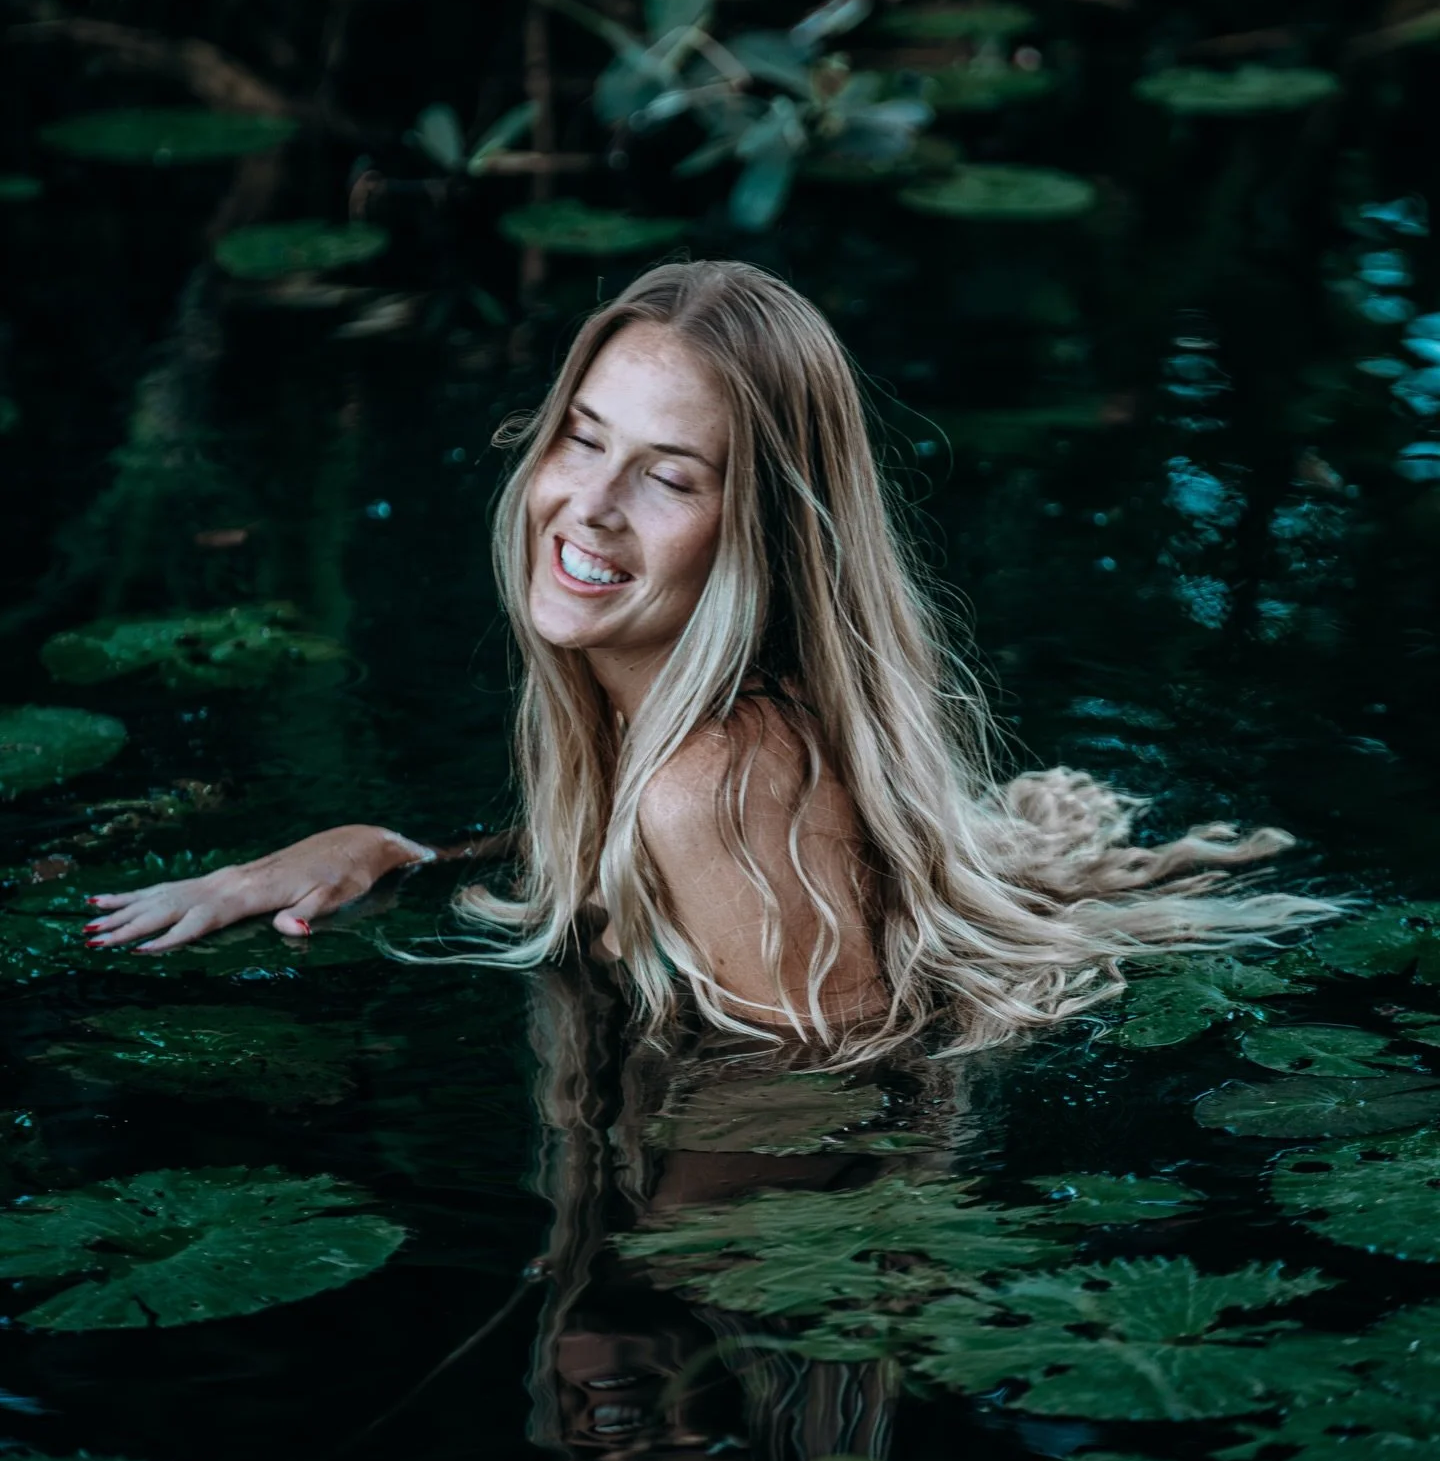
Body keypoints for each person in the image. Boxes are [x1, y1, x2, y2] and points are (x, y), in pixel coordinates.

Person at [82, 260, 1333, 1063]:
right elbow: (627, 872)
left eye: (668, 477)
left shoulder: (714, 788)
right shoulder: (680, 736)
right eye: (583, 441)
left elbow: (839, 1098)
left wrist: (652, 1267)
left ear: (766, 537)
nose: (589, 507)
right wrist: (394, 857)